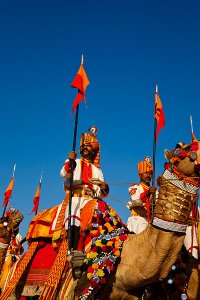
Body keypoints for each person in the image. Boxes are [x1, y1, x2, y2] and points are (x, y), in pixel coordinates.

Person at [51, 126, 109, 251]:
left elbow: (101, 192)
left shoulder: (97, 170)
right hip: (75, 198)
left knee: (104, 216)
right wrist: (71, 162)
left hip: (91, 200)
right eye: (83, 145)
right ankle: (72, 251)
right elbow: (63, 174)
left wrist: (104, 187)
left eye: (88, 146)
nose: (85, 147)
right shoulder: (74, 161)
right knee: (73, 214)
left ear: (93, 150)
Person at [126, 157, 156, 234]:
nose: (149, 175)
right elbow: (136, 200)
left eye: (150, 173)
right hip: (137, 222)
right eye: (146, 173)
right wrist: (148, 193)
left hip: (151, 224)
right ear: (140, 175)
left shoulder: (155, 191)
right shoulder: (134, 188)